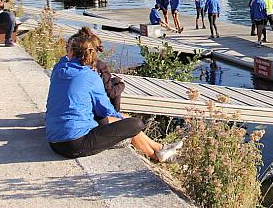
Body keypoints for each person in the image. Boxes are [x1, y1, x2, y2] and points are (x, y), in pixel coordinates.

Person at [45, 36, 182, 161]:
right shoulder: (90, 77)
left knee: (120, 122)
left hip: (53, 141)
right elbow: (105, 110)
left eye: (67, 49)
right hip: (74, 144)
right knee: (135, 124)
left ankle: (159, 151)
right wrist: (121, 117)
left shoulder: (58, 70)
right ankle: (159, 151)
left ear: (70, 53)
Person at [72, 27, 124, 112]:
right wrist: (121, 85)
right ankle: (115, 112)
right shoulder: (100, 66)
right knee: (117, 83)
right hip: (91, 110)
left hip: (75, 103)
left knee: (114, 81)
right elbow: (110, 93)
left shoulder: (71, 64)